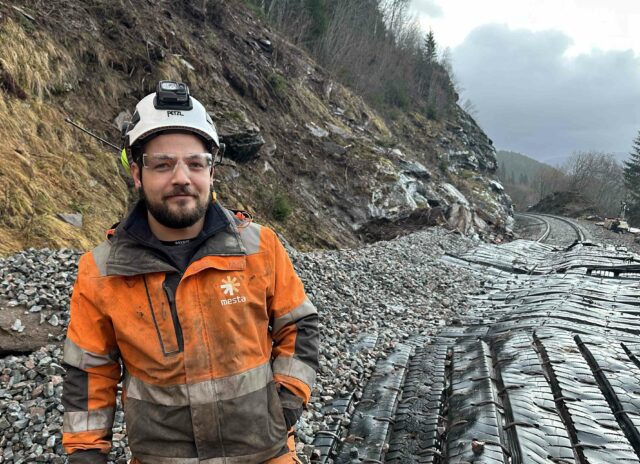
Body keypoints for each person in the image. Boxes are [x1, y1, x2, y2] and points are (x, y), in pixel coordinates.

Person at [61, 81, 319, 463]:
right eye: (162, 164)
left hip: (266, 454)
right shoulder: (101, 271)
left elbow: (298, 327)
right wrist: (86, 454)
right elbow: (89, 371)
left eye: (195, 163)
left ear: (211, 172)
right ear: (136, 173)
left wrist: (285, 407)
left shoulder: (259, 248)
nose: (181, 177)